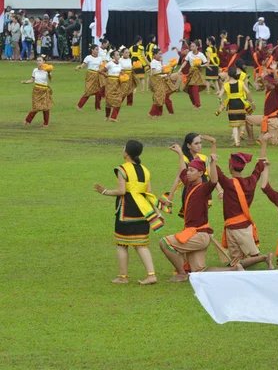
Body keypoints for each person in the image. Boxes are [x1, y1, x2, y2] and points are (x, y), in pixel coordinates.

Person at [160, 144, 244, 280]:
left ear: (200, 173)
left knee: (165, 243)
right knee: (199, 272)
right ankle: (235, 269)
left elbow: (214, 180)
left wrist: (213, 162)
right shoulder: (189, 183)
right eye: (189, 170)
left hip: (198, 235)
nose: (188, 172)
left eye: (191, 170)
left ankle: (182, 274)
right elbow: (182, 170)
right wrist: (180, 154)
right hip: (197, 235)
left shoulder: (204, 188)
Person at [93, 140, 163, 285]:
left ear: (127, 152)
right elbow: (149, 193)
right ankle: (151, 275)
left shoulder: (122, 169)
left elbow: (121, 191)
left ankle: (123, 277)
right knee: (141, 245)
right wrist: (157, 212)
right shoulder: (145, 169)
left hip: (127, 209)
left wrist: (104, 191)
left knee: (121, 244)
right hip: (144, 210)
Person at [215, 136, 274, 269]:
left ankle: (265, 257)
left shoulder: (229, 184)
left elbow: (216, 171)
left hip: (235, 227)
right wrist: (264, 143)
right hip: (243, 225)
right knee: (236, 261)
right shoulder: (251, 181)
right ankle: (254, 259)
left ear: (230, 167)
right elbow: (260, 165)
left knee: (238, 262)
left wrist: (212, 154)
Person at [217, 67, 255, 147]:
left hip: (231, 104)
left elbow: (220, 96)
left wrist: (221, 104)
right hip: (241, 104)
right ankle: (239, 137)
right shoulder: (241, 83)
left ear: (228, 74)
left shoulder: (226, 85)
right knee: (241, 122)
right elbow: (247, 92)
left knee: (234, 124)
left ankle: (237, 142)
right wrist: (251, 101)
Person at [21, 56, 53, 127]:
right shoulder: (35, 70)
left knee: (46, 107)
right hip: (36, 91)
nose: (38, 62)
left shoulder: (47, 70)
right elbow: (32, 80)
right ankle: (27, 120)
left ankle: (46, 123)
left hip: (44, 90)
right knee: (36, 107)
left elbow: (50, 79)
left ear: (43, 62)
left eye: (40, 60)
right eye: (37, 60)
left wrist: (49, 73)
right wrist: (25, 81)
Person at [148, 50, 177, 118]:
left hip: (162, 80)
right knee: (159, 96)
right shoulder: (153, 62)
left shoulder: (160, 62)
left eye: (161, 54)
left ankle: (158, 114)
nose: (161, 55)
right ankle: (151, 113)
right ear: (154, 55)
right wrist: (163, 71)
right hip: (156, 81)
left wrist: (169, 71)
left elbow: (165, 71)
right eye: (159, 54)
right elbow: (154, 73)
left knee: (162, 96)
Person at [179, 40, 208, 109]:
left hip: (197, 72)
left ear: (197, 47)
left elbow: (206, 63)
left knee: (195, 88)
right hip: (191, 72)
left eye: (193, 46)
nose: (191, 47)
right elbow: (185, 62)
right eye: (191, 46)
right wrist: (180, 69)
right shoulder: (189, 53)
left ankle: (198, 105)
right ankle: (194, 104)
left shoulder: (201, 55)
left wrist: (201, 66)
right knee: (189, 90)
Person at [75, 44, 102, 111]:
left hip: (97, 75)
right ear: (92, 50)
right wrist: (79, 67)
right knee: (88, 91)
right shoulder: (88, 57)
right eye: (96, 49)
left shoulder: (100, 58)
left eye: (98, 49)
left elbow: (101, 67)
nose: (97, 51)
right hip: (90, 75)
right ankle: (79, 105)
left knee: (98, 92)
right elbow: (83, 65)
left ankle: (97, 107)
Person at [101, 50, 124, 122]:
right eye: (117, 55)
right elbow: (101, 71)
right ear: (113, 57)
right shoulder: (110, 64)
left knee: (119, 100)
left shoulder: (120, 64)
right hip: (110, 83)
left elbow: (120, 72)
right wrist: (106, 75)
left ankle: (113, 117)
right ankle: (107, 116)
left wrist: (123, 76)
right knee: (108, 100)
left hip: (117, 83)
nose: (118, 56)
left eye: (119, 55)